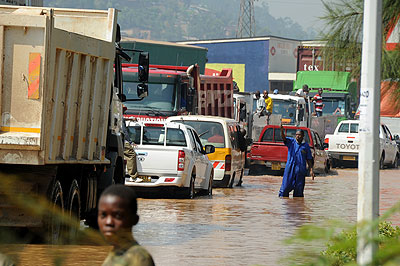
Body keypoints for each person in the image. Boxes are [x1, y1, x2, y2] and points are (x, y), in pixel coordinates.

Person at [98, 184, 155, 266]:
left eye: (117, 216)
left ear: (134, 220)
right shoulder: (116, 253)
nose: (109, 222)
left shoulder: (139, 258)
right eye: (103, 215)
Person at [278, 124, 314, 197]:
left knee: (299, 192)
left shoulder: (306, 146)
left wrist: (311, 170)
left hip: (300, 170)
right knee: (285, 188)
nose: (298, 136)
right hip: (290, 168)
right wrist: (282, 131)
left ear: (303, 136)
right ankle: (284, 205)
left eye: (300, 135)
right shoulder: (291, 142)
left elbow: (309, 159)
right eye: (297, 134)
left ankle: (297, 206)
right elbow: (284, 138)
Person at [122, 109, 138, 182]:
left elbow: (123, 118)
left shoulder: (117, 115)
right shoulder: (120, 117)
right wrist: (130, 142)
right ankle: (133, 176)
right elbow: (124, 131)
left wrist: (130, 119)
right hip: (124, 141)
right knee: (131, 155)